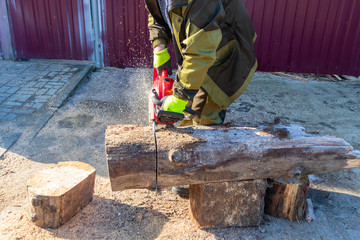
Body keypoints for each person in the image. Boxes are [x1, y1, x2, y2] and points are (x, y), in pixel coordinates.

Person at [145, 0, 257, 196]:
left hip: (223, 44)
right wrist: (159, 46)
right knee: (189, 94)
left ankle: (201, 174)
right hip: (200, 43)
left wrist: (180, 95)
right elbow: (156, 11)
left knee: (205, 109)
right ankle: (192, 158)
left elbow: (201, 51)